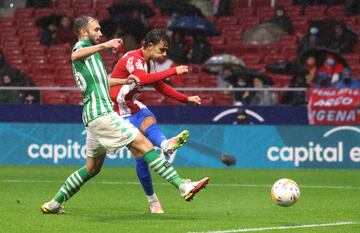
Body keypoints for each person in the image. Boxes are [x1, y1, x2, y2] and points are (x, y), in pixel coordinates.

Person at [40, 16, 209, 214]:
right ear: (84, 32)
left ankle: (54, 203)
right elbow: (75, 55)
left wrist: (122, 81)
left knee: (91, 169)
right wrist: (105, 45)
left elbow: (103, 81)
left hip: (93, 116)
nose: (100, 33)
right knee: (144, 145)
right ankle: (182, 186)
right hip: (103, 113)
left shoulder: (93, 57)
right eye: (96, 30)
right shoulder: (81, 48)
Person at [110, 28, 202, 214]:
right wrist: (173, 71)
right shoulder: (133, 59)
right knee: (140, 157)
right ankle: (152, 200)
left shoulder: (148, 61)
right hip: (116, 110)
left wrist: (186, 99)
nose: (165, 54)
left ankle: (165, 144)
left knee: (149, 117)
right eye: (162, 50)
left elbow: (160, 86)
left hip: (131, 104)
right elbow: (143, 79)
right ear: (149, 46)